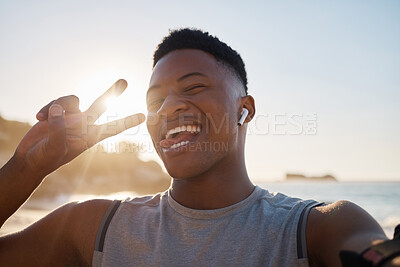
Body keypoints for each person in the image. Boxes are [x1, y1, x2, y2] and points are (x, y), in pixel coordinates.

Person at [0, 28, 398, 267]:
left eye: (194, 87)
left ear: (245, 109)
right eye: (155, 99)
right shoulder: (94, 227)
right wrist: (25, 168)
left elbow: (372, 254)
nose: (169, 106)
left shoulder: (315, 229)